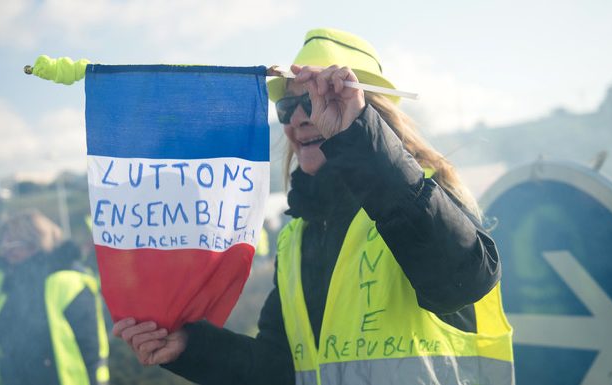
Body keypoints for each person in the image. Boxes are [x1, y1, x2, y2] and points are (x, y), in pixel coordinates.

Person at [112, 28, 514, 384]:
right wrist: (189, 347)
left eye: (320, 101)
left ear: (370, 112)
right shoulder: (297, 237)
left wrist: (356, 137)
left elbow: (463, 279)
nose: (301, 119)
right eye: (289, 108)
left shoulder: (425, 193)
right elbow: (280, 370)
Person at [0, 209, 109, 385]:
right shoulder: (10, 285)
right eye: (3, 245)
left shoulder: (67, 281)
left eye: (12, 243)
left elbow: (91, 346)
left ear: (34, 242)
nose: (5, 251)